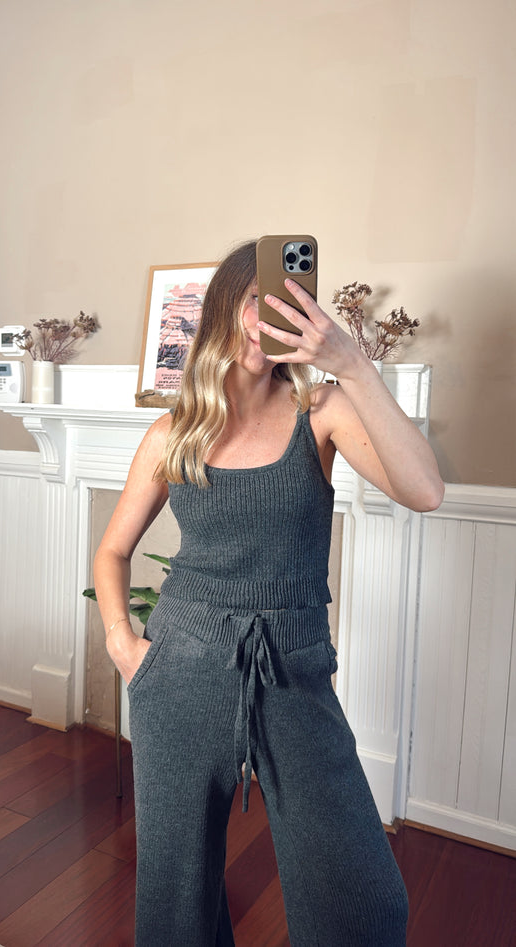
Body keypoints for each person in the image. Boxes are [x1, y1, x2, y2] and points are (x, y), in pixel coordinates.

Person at [93, 239, 444, 946]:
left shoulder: (323, 410)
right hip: (181, 667)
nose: (273, 319)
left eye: (290, 304)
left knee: (364, 904)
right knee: (176, 900)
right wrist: (124, 646)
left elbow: (425, 490)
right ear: (227, 308)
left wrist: (352, 364)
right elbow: (113, 551)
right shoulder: (173, 432)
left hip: (292, 669)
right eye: (259, 301)